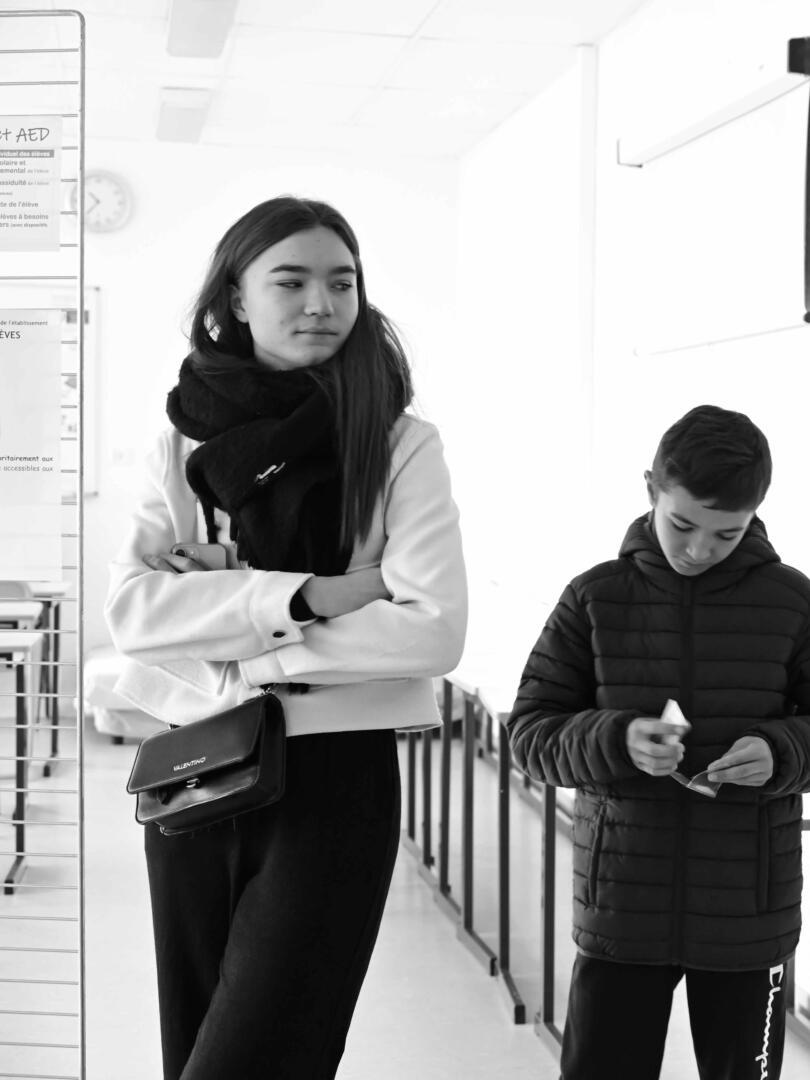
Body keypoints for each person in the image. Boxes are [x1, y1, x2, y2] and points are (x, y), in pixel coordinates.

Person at [104, 196, 468, 1080]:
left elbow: (432, 631)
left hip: (335, 778)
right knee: (193, 1042)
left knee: (263, 1053)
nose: (321, 303)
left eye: (342, 283)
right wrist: (314, 596)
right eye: (291, 281)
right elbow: (136, 614)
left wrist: (238, 624)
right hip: (195, 760)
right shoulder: (180, 443)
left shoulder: (399, 444)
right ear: (235, 298)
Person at [507, 404, 810, 1080]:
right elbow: (530, 735)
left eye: (726, 534)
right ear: (651, 488)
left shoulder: (791, 602)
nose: (700, 550)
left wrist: (782, 753)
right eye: (682, 524)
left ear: (756, 514)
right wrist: (617, 739)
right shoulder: (594, 598)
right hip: (623, 908)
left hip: (747, 917)